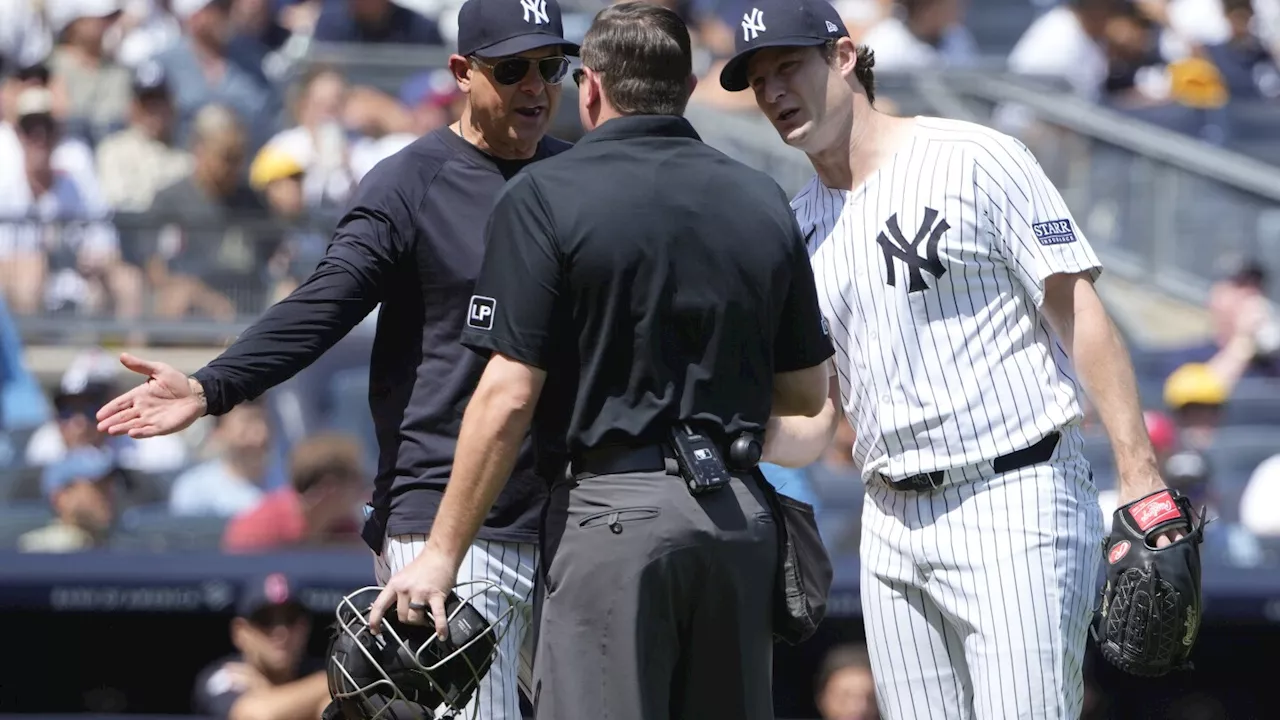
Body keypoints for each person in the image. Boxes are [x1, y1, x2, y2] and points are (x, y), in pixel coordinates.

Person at [96, 0, 580, 715]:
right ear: (462, 72)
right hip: (449, 517)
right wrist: (211, 386)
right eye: (513, 70)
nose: (536, 86)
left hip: (570, 517)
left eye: (551, 67)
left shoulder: (578, 179)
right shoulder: (412, 181)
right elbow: (325, 301)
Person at [366, 3, 837, 719]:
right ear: (684, 88)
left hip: (613, 515)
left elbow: (508, 395)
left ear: (590, 88)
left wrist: (439, 554)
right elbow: (805, 392)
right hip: (738, 518)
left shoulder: (544, 194)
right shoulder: (761, 197)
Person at [719, 1, 1187, 717]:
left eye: (788, 66)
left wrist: (1139, 471)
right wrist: (714, 428)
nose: (775, 90)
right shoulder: (795, 227)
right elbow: (816, 419)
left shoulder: (973, 156)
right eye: (757, 80)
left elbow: (1079, 312)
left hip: (1012, 493)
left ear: (843, 57)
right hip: (888, 520)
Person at [193, 572, 330, 720]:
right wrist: (333, 682)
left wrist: (267, 691)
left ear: (304, 628)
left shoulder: (316, 672)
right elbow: (254, 716)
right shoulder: (226, 676)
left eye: (290, 619)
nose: (280, 631)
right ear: (240, 632)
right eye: (265, 620)